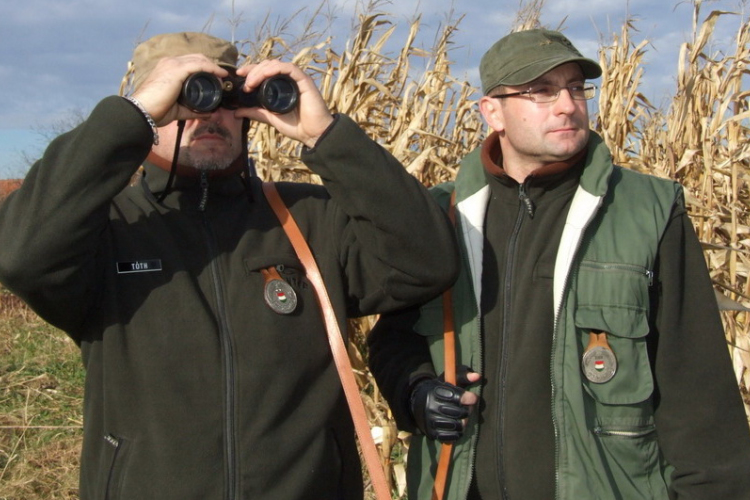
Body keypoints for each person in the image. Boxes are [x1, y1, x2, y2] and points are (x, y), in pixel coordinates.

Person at [0, 32, 459, 500]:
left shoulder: (308, 218)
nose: (207, 115)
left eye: (226, 99)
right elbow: (20, 254)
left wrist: (327, 136)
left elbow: (426, 263)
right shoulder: (107, 228)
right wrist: (128, 120)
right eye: (186, 97)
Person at [367, 28, 750, 499]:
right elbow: (391, 342)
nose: (567, 105)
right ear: (493, 112)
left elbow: (699, 392)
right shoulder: (440, 216)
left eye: (574, 88)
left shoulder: (649, 211)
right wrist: (417, 393)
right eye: (540, 92)